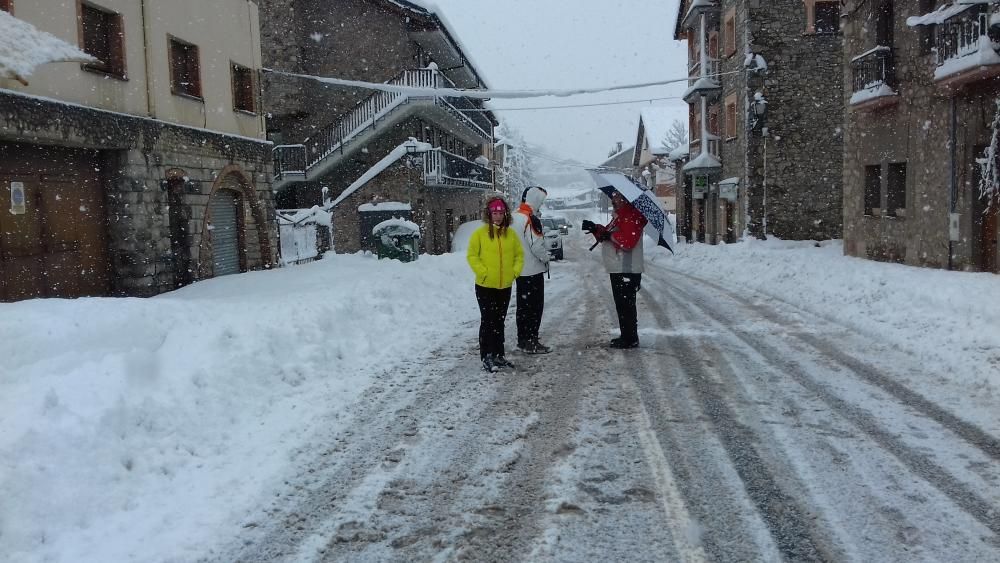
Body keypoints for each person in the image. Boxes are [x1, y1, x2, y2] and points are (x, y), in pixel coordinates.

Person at [582, 191, 647, 349]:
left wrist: (609, 236)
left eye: (617, 197)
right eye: (613, 197)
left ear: (625, 199)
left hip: (626, 268)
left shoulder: (631, 216)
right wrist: (595, 228)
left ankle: (630, 339)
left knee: (626, 305)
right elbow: (609, 233)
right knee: (622, 304)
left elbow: (628, 242)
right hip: (619, 267)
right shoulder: (620, 215)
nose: (613, 199)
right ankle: (627, 336)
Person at [467, 197, 524, 372]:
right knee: (488, 321)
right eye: (494, 213)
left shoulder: (511, 234)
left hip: (504, 286)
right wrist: (483, 272)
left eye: (500, 213)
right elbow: (472, 255)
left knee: (500, 321)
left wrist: (514, 272)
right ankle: (487, 356)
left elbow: (519, 256)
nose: (497, 217)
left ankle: (499, 355)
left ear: (505, 214)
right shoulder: (480, 234)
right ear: (489, 215)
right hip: (485, 286)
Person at [511, 186, 552, 354]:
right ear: (536, 200)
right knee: (535, 308)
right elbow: (536, 246)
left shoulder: (513, 216)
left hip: (519, 270)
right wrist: (546, 257)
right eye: (541, 201)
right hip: (533, 271)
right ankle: (532, 341)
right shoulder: (530, 219)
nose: (541, 205)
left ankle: (522, 339)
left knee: (522, 308)